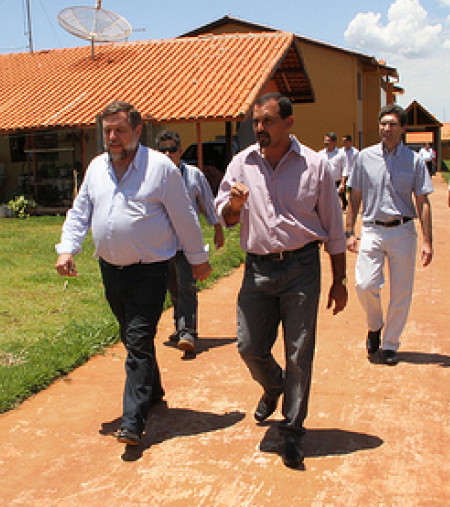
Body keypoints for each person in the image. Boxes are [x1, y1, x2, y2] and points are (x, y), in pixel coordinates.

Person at [55, 101, 212, 446]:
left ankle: (132, 421)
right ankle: (152, 389)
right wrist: (67, 249)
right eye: (107, 131)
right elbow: (80, 212)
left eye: (120, 130)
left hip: (150, 270)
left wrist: (198, 260)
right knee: (131, 336)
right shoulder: (97, 168)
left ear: (138, 131)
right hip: (110, 270)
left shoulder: (160, 169)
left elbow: (185, 217)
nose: (113, 137)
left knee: (138, 339)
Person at [216, 92, 347, 468]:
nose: (260, 128)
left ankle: (292, 430)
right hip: (257, 268)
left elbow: (334, 226)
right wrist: (234, 206)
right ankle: (275, 385)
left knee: (299, 351)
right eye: (256, 121)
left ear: (289, 123)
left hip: (301, 267)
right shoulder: (242, 163)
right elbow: (225, 216)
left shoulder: (315, 165)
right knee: (249, 346)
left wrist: (338, 280)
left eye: (268, 121)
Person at [346, 104, 434, 365]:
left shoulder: (414, 161)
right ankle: (375, 325)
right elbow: (355, 196)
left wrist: (427, 241)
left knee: (401, 291)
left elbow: (423, 201)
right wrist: (349, 231)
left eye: (393, 124)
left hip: (403, 230)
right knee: (364, 284)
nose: (387, 128)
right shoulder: (365, 157)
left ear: (403, 128)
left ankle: (390, 344)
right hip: (372, 228)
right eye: (383, 123)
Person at [155, 129, 225, 353]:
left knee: (186, 286)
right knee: (173, 288)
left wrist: (217, 229)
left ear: (180, 151)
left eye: (172, 149)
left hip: (187, 244)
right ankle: (180, 326)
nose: (168, 154)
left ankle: (188, 332)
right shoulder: (152, 177)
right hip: (163, 245)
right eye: (163, 150)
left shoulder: (194, 175)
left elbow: (208, 202)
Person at [318, 132, 348, 209]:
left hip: (337, 181)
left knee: (337, 203)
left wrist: (343, 183)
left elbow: (345, 168)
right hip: (325, 182)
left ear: (334, 141)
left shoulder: (341, 154)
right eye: (325, 140)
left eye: (328, 140)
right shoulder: (321, 154)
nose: (326, 142)